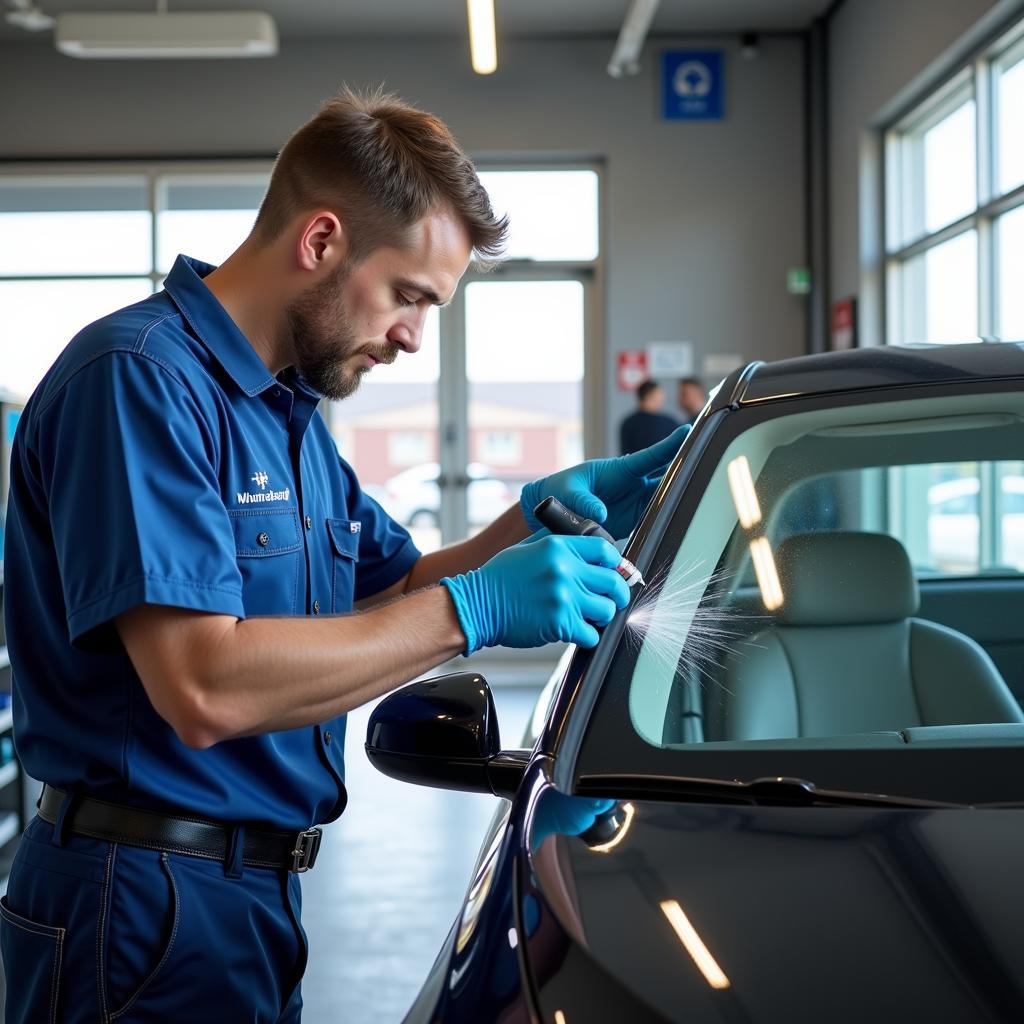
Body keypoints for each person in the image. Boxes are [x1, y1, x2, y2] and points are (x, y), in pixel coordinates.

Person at [1, 88, 688, 1023]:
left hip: (249, 894)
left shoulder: (287, 413)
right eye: (409, 296)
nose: (412, 335)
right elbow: (203, 686)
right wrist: (475, 610)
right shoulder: (141, 383)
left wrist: (530, 523)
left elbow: (397, 584)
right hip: (141, 900)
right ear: (321, 241)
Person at [618, 379, 680, 455]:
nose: (663, 399)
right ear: (649, 396)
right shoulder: (669, 423)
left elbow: (625, 455)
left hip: (635, 466)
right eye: (660, 395)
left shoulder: (627, 423)